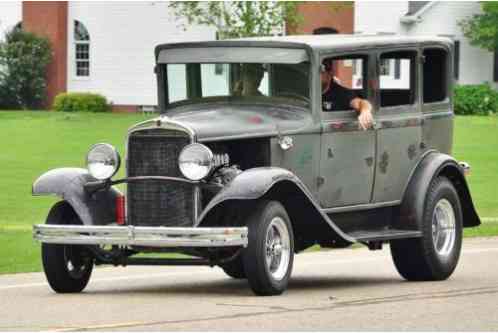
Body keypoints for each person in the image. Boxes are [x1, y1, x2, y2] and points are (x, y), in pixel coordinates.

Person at [321, 60, 374, 130]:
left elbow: (361, 102)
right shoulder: (308, 93)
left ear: (329, 73)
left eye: (321, 72)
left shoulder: (342, 93)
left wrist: (365, 111)